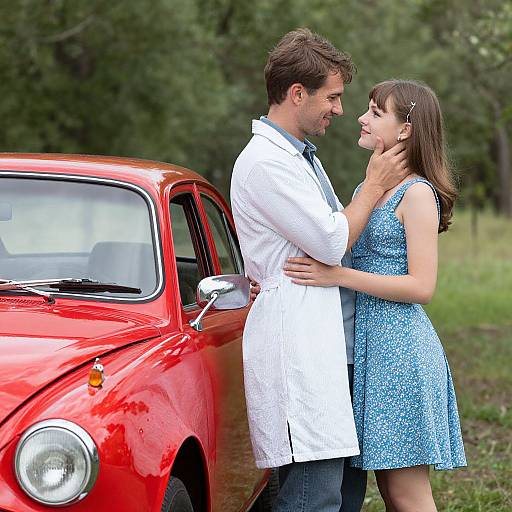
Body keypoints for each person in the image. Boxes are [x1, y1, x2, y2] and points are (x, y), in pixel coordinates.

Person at [230, 29, 409, 512]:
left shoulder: (300, 158)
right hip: (300, 351)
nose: (340, 109)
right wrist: (372, 187)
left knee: (342, 498)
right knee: (314, 499)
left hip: (330, 351)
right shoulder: (267, 163)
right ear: (296, 94)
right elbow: (331, 241)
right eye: (332, 97)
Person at [283, 79, 467, 511]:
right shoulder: (370, 189)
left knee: (406, 493)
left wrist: (339, 276)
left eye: (374, 112)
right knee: (388, 490)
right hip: (372, 350)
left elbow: (422, 286)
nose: (361, 118)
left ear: (404, 130)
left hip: (400, 351)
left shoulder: (417, 193)